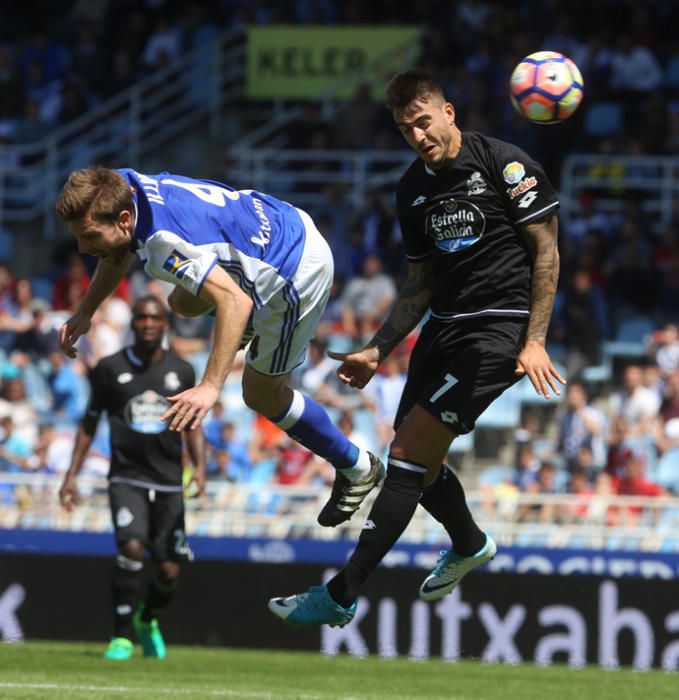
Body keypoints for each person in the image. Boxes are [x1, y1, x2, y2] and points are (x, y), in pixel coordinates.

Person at [269, 69, 565, 626]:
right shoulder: (412, 189)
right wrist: (377, 348)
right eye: (407, 129)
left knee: (405, 455)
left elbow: (546, 252)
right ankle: (470, 543)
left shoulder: (505, 163)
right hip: (443, 328)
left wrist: (534, 341)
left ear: (448, 112)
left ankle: (339, 594)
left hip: (498, 331)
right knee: (419, 466)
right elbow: (421, 283)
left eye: (424, 122)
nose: (419, 136)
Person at [55, 166, 385, 528]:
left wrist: (210, 386)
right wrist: (86, 309)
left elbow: (235, 303)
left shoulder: (162, 241)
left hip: (294, 271)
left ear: (123, 218)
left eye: (88, 236)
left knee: (260, 395)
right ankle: (237, 332)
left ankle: (356, 467)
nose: (82, 249)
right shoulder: (121, 184)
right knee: (181, 302)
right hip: (282, 219)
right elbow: (117, 249)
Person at [58, 295, 206, 661]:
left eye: (156, 318)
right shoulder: (110, 368)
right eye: (142, 318)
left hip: (170, 479)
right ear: (133, 324)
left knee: (169, 569)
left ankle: (147, 617)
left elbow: (193, 426)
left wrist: (200, 468)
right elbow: (89, 422)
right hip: (126, 476)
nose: (149, 324)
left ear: (165, 324)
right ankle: (121, 636)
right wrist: (71, 474)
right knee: (132, 548)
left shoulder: (183, 371)